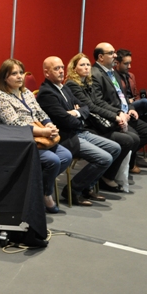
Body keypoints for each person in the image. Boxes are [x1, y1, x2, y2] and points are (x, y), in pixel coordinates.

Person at [0, 59, 72, 214]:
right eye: (14, 73)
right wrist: (44, 132)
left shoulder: (26, 92)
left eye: (21, 72)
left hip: (37, 137)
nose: (19, 76)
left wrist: (49, 124)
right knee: (53, 161)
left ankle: (35, 190)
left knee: (66, 156)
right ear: (4, 77)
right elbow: (15, 124)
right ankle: (45, 194)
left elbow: (40, 113)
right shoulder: (0, 98)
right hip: (17, 142)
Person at [37, 56, 120, 205]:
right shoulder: (46, 93)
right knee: (105, 158)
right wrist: (78, 115)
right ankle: (73, 191)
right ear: (46, 73)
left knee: (115, 148)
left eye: (62, 67)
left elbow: (85, 108)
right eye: (56, 68)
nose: (61, 71)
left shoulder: (65, 88)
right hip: (67, 137)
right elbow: (65, 120)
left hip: (79, 131)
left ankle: (86, 186)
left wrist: (76, 113)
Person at [65, 53, 144, 191]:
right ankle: (105, 178)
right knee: (127, 141)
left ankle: (106, 176)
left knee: (132, 138)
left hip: (96, 122)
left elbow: (98, 103)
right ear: (74, 68)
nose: (86, 67)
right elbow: (91, 107)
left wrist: (118, 113)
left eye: (88, 64)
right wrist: (115, 117)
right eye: (82, 65)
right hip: (88, 126)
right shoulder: (73, 84)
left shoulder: (87, 82)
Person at [91, 43, 147, 173]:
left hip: (125, 113)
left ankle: (124, 161)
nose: (115, 55)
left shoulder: (112, 73)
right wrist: (119, 113)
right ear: (100, 57)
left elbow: (123, 96)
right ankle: (115, 170)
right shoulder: (95, 74)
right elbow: (98, 102)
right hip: (111, 117)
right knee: (134, 138)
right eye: (111, 53)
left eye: (114, 52)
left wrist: (131, 107)